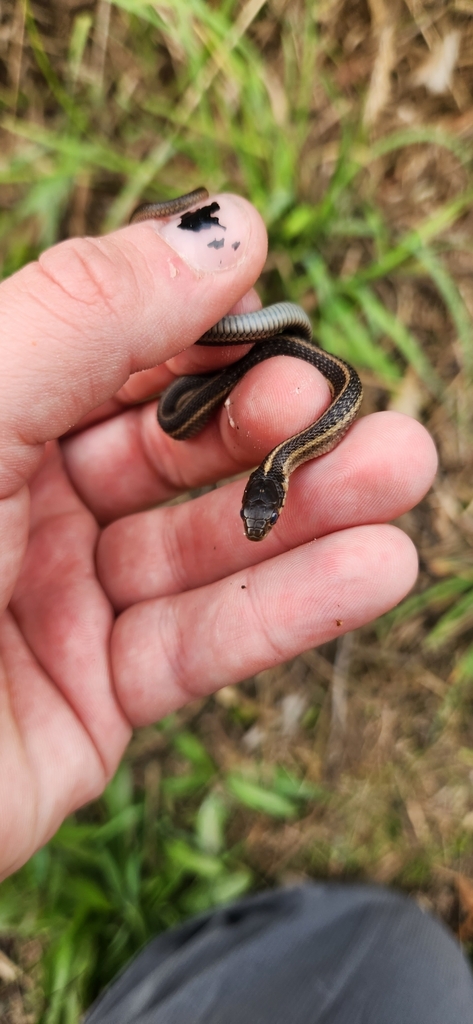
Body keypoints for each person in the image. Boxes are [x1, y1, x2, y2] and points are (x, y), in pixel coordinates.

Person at [2, 192, 470, 1021]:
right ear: (270, 490)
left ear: (270, 486)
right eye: (265, 507)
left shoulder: (287, 448)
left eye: (264, 505)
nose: (261, 518)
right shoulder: (282, 440)